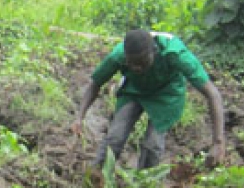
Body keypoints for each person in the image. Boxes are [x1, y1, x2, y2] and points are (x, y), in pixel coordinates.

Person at [72, 29, 225, 169]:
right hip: (134, 90)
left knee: (153, 145)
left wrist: (218, 142)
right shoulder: (118, 56)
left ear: (154, 51)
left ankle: (143, 185)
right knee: (114, 138)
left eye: (142, 62)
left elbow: (212, 93)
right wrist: (79, 117)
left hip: (166, 95)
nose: (137, 68)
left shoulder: (174, 54)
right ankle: (96, 178)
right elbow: (95, 84)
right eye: (132, 64)